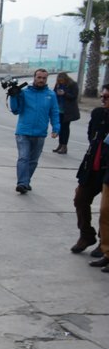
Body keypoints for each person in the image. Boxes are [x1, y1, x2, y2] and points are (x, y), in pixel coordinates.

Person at [9, 68, 60, 194]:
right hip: (23, 132)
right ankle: (22, 183)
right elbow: (16, 110)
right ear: (34, 78)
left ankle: (26, 181)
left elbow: (54, 112)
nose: (41, 80)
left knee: (33, 161)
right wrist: (13, 96)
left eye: (44, 78)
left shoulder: (51, 95)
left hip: (40, 133)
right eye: (39, 77)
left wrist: (56, 128)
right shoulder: (24, 92)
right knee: (23, 158)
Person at [84, 86, 109, 269]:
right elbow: (95, 138)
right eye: (102, 95)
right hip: (100, 169)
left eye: (106, 96)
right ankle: (105, 250)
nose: (103, 98)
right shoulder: (99, 113)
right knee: (104, 212)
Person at [53, 72, 81, 154]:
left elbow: (74, 96)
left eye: (62, 81)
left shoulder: (73, 85)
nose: (61, 82)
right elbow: (54, 93)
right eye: (59, 81)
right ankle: (60, 144)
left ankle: (64, 146)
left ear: (66, 79)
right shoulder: (58, 85)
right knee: (60, 128)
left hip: (68, 111)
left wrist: (64, 94)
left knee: (65, 128)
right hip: (59, 109)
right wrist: (56, 93)